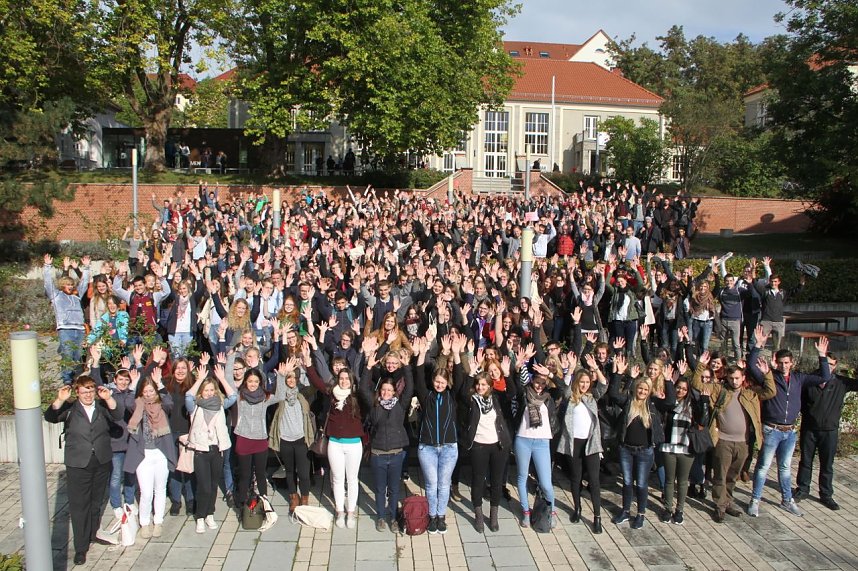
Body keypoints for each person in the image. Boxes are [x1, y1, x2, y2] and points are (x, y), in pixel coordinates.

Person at [746, 328, 831, 517]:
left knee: (785, 467)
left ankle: (786, 500)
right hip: (772, 429)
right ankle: (755, 500)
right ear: (776, 363)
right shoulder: (770, 377)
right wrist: (758, 345)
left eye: (787, 363)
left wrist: (822, 356)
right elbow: (751, 367)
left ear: (792, 363)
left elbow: (824, 377)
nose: (784, 366)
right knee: (763, 467)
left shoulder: (799, 378)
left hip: (790, 431)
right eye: (781, 363)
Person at [44, 377, 122, 566]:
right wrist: (60, 399)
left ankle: (93, 532)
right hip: (78, 463)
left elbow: (118, 415)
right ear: (77, 392)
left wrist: (109, 398)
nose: (88, 395)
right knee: (80, 506)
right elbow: (50, 417)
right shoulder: (70, 409)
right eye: (84, 391)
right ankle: (81, 547)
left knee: (96, 502)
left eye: (91, 391)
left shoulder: (101, 407)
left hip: (101, 460)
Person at [692, 350, 775, 523]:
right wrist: (700, 365)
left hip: (743, 443)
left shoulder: (750, 393)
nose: (734, 381)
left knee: (733, 475)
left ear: (743, 378)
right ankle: (720, 506)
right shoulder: (719, 390)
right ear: (727, 378)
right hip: (723, 441)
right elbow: (697, 385)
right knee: (720, 475)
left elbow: (770, 392)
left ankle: (727, 501)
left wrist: (767, 374)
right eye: (731, 378)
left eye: (737, 378)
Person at [609, 354, 676, 529]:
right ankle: (625, 511)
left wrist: (668, 381)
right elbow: (614, 394)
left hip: (645, 451)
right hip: (626, 449)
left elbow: (670, 402)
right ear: (636, 388)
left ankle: (640, 513)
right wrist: (620, 375)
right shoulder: (629, 401)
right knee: (627, 482)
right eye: (640, 389)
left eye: (646, 390)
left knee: (642, 483)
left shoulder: (652, 405)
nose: (642, 392)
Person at [794, 352, 858, 510]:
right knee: (806, 461)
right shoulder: (810, 381)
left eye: (831, 364)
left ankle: (826, 494)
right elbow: (799, 401)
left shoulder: (841, 383)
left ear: (835, 366)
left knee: (827, 464)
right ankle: (802, 489)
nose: (827, 367)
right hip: (809, 429)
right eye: (825, 363)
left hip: (829, 431)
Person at [361, 345, 414, 532]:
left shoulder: (400, 405)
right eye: (383, 390)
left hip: (396, 453)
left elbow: (410, 389)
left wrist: (407, 367)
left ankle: (393, 517)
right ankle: (381, 517)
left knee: (393, 489)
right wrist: (368, 368)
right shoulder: (374, 405)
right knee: (379, 489)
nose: (385, 393)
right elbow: (363, 389)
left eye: (389, 391)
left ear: (394, 392)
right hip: (378, 454)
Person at [461, 355, 515, 533]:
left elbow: (513, 393)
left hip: (498, 445)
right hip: (479, 445)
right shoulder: (472, 399)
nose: (480, 387)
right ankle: (478, 514)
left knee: (497, 481)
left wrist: (506, 375)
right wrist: (471, 373)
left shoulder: (496, 398)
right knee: (478, 480)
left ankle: (493, 515)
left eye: (484, 384)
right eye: (478, 384)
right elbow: (461, 393)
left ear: (490, 386)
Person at [414, 333, 461, 534]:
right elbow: (417, 377)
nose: (439, 384)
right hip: (428, 448)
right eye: (437, 381)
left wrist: (456, 353)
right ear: (433, 381)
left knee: (444, 484)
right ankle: (432, 516)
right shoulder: (427, 397)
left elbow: (460, 378)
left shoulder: (452, 396)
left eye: (443, 382)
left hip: (450, 447)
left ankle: (441, 515)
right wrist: (422, 354)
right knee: (431, 484)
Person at [556, 354, 608, 533]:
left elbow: (604, 385)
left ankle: (597, 516)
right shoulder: (571, 397)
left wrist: (595, 368)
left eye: (587, 382)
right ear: (577, 382)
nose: (585, 385)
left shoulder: (592, 397)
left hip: (591, 444)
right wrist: (570, 369)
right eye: (582, 382)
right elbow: (565, 386)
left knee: (594, 481)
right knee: (575, 478)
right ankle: (577, 508)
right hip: (574, 443)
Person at [186, 360, 236, 533]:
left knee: (214, 484)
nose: (208, 393)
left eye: (211, 390)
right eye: (205, 390)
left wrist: (222, 379)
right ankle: (200, 516)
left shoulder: (220, 405)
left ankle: (210, 513)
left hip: (217, 449)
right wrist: (200, 380)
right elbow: (188, 396)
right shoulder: (195, 406)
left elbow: (233, 396)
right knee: (204, 486)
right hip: (201, 450)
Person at [124, 370, 176, 539]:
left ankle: (158, 521)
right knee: (146, 492)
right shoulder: (137, 404)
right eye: (145, 391)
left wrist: (159, 383)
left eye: (151, 390)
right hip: (143, 453)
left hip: (160, 452)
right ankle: (144, 522)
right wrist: (133, 383)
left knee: (160, 489)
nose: (148, 394)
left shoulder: (162, 405)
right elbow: (126, 402)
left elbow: (170, 402)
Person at [658, 371, 708, 525]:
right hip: (668, 446)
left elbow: (703, 421)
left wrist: (705, 401)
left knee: (682, 481)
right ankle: (668, 508)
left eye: (684, 389)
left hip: (686, 448)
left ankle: (679, 510)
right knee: (669, 480)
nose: (680, 391)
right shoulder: (668, 402)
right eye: (678, 387)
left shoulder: (692, 406)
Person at [268, 356, 315, 514]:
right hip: (285, 439)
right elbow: (278, 389)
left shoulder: (303, 395)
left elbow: (311, 386)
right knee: (289, 471)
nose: (291, 380)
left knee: (303, 472)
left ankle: (305, 498)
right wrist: (282, 375)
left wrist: (303, 369)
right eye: (289, 378)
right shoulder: (280, 397)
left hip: (301, 439)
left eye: (293, 378)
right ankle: (293, 497)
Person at [44, 254, 92, 384]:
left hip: (79, 329)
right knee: (67, 354)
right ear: (62, 285)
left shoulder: (76, 297)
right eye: (67, 284)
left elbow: (83, 284)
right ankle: (67, 381)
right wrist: (47, 266)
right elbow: (48, 283)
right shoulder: (57, 296)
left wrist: (86, 267)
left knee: (78, 355)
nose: (70, 286)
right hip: (65, 329)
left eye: (71, 284)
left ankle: (76, 378)